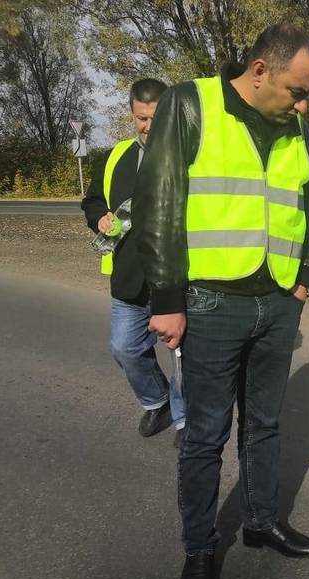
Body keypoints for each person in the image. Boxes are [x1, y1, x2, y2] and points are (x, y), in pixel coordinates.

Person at [134, 24, 309, 579]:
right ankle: (200, 547)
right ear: (259, 71)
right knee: (205, 434)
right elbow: (160, 199)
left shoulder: (295, 125)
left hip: (277, 302)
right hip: (209, 303)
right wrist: (167, 299)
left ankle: (261, 521)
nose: (302, 104)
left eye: (306, 95)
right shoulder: (190, 103)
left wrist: (306, 275)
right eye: (295, 91)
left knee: (265, 424)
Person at [81, 78, 185, 443]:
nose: (148, 126)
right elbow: (92, 200)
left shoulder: (189, 155)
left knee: (184, 357)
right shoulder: (115, 157)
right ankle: (157, 401)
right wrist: (99, 218)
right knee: (124, 348)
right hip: (129, 278)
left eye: (155, 117)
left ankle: (186, 421)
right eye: (142, 118)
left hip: (177, 278)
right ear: (132, 115)